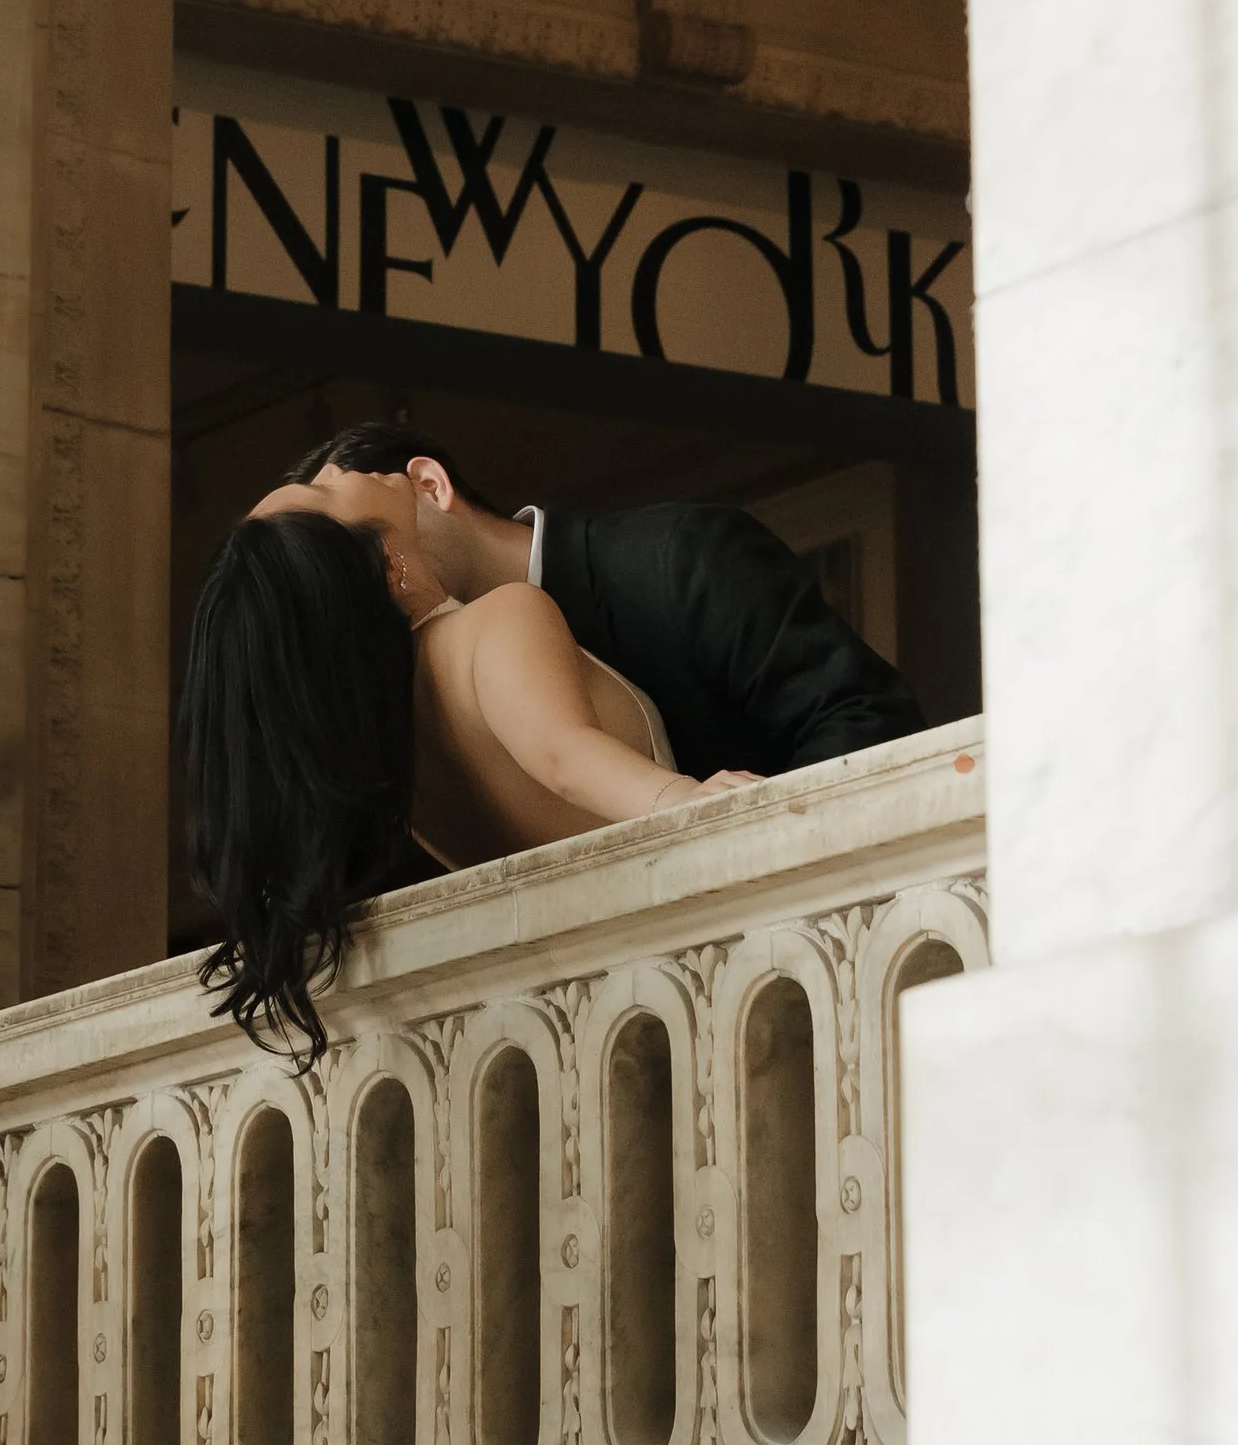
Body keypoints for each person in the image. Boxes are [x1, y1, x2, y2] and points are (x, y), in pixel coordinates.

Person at [180, 503, 748, 1064]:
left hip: (591, 1008)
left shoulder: (392, 749)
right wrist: (683, 800)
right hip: (697, 937)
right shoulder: (496, 621)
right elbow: (561, 753)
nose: (334, 477)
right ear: (385, 565)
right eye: (324, 499)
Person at [262, 422, 924, 786]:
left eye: (349, 533)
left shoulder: (681, 556)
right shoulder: (409, 692)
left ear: (428, 487)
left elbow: (866, 719)